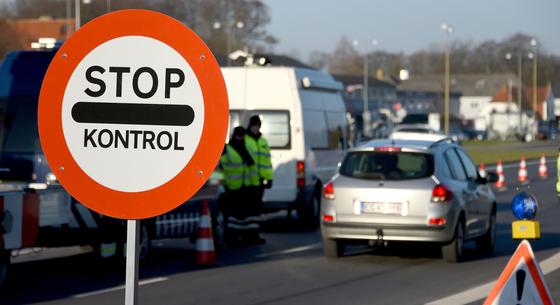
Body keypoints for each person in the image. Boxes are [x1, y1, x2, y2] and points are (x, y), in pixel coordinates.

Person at [219, 127, 259, 246]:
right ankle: (232, 238)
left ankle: (246, 236)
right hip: (231, 189)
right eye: (238, 136)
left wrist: (255, 185)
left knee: (245, 215)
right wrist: (223, 184)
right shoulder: (227, 149)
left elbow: (251, 168)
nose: (240, 138)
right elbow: (220, 167)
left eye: (242, 136)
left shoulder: (246, 148)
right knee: (233, 216)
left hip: (245, 187)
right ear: (234, 136)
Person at [244, 115, 273, 244]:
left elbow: (267, 162)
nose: (256, 128)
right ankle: (247, 234)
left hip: (259, 182)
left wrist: (269, 178)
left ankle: (254, 234)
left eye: (257, 125)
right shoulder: (245, 140)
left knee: (257, 211)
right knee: (248, 210)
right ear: (250, 126)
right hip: (247, 182)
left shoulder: (263, 142)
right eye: (254, 125)